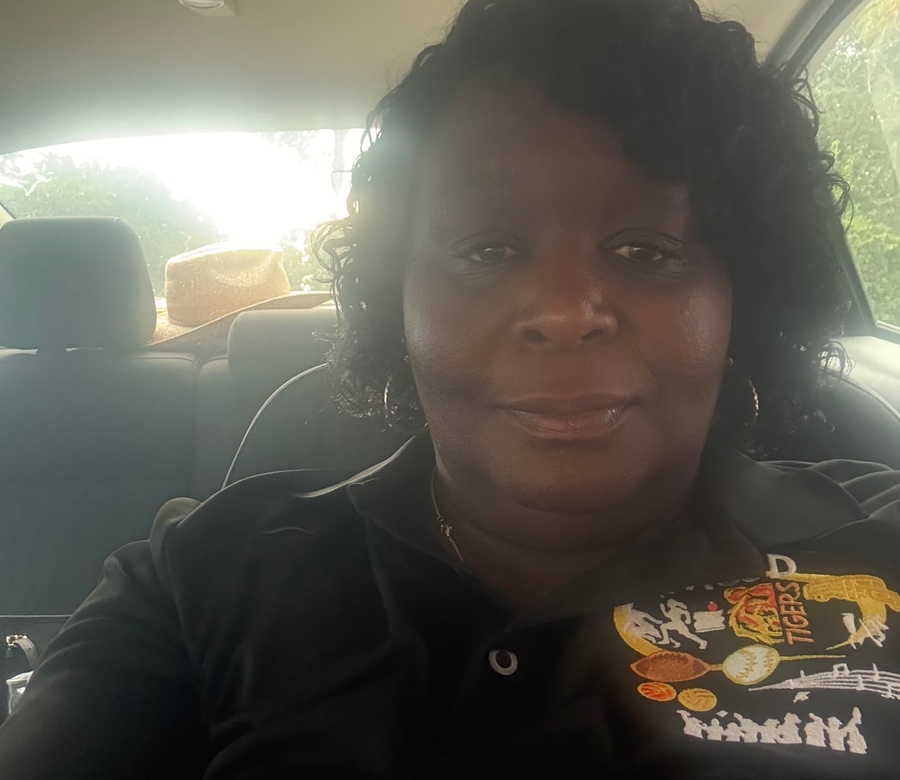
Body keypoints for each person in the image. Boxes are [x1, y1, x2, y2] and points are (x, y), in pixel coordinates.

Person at [3, 0, 900, 776]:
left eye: (646, 250)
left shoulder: (879, 543)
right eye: (486, 248)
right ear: (398, 297)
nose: (564, 311)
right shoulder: (199, 578)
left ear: (742, 297)